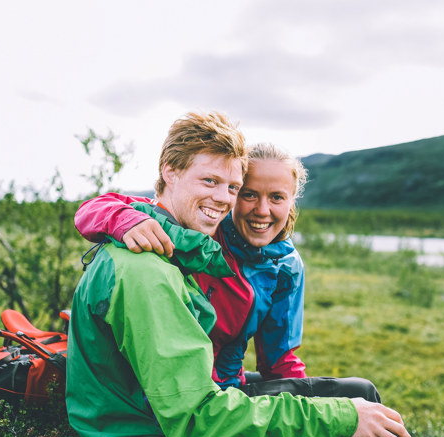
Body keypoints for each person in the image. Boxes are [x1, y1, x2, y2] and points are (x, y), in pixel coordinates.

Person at [66, 110, 444, 437]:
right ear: (169, 172)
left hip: (171, 419)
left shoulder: (174, 240)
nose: (225, 200)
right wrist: (341, 421)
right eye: (211, 182)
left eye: (232, 187)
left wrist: (342, 414)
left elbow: (270, 364)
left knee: (362, 395)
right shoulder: (149, 271)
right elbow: (199, 424)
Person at [73, 141, 311, 389]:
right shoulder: (204, 229)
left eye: (277, 197)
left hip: (229, 388)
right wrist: (127, 221)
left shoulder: (287, 265)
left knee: (354, 391)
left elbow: (279, 361)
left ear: (292, 201)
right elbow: (97, 207)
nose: (262, 210)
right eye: (248, 194)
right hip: (175, 389)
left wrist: (309, 408)